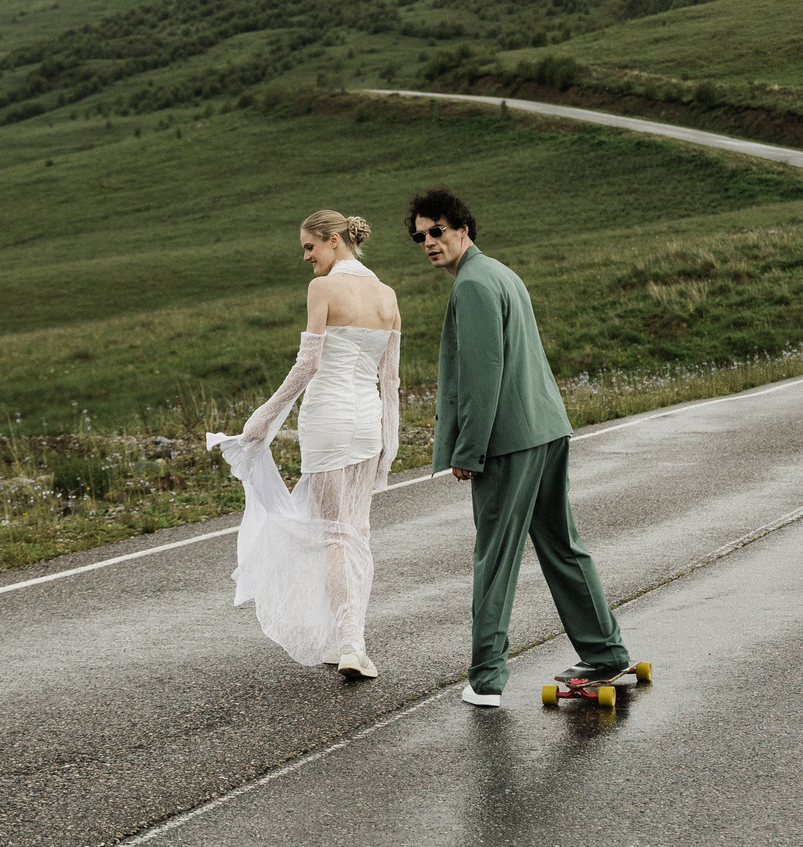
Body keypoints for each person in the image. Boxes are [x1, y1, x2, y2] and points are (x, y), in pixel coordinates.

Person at [409, 186, 629, 709]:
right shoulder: (500, 272)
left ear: (463, 228)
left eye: (437, 231)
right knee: (561, 544)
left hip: (508, 441)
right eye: (420, 237)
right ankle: (605, 653)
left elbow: (483, 374)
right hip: (546, 429)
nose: (429, 243)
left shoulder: (472, 285)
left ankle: (486, 679)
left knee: (495, 557)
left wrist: (468, 450)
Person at [212, 209, 402, 680]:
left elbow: (308, 365)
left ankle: (351, 642)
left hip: (330, 421)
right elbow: (391, 380)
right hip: (369, 423)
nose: (305, 257)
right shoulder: (387, 295)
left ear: (334, 240)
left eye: (309, 247)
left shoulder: (323, 289)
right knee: (356, 532)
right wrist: (389, 446)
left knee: (335, 534)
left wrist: (261, 420)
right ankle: (351, 638)